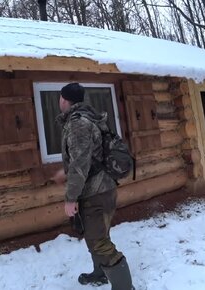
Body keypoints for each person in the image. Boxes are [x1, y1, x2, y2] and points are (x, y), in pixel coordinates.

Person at [52, 83, 135, 290]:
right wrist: (67, 172)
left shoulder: (78, 124)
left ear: (64, 99)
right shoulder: (87, 117)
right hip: (101, 188)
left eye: (60, 98)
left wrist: (70, 199)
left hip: (96, 192)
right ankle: (100, 274)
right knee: (96, 235)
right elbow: (86, 157)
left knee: (99, 240)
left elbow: (81, 164)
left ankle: (125, 288)